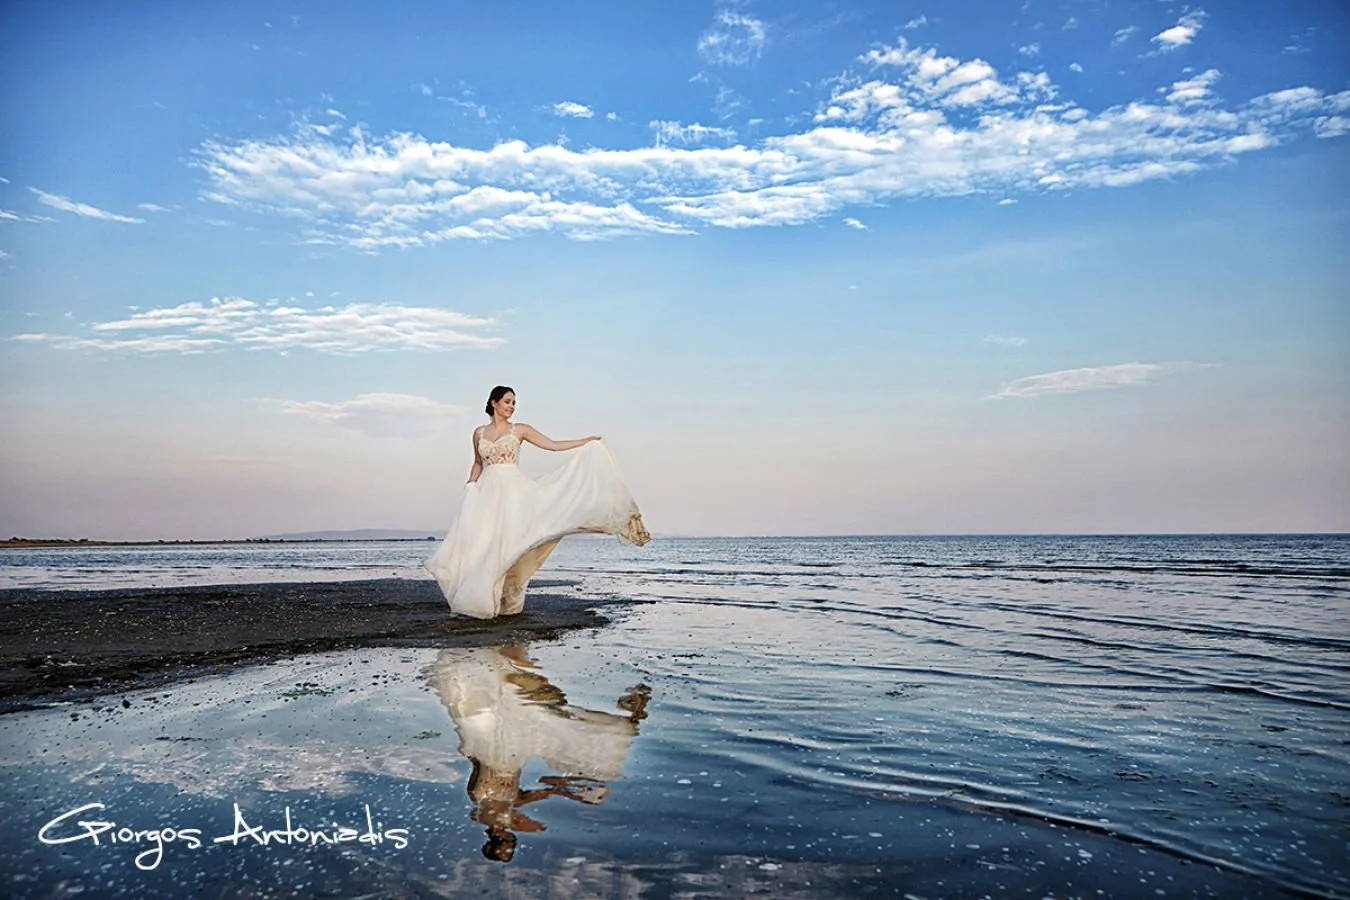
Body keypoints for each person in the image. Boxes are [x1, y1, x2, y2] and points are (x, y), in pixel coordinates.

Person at [423, 385, 650, 618]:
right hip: (486, 494)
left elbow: (552, 446)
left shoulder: (520, 430)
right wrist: (470, 486)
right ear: (494, 403)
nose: (512, 406)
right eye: (507, 401)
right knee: (486, 546)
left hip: (514, 493)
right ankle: (486, 599)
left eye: (514, 402)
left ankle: (508, 601)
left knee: (511, 546)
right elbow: (478, 463)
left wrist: (585, 442)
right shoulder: (478, 433)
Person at [427, 644, 651, 862]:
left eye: (505, 844)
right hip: (514, 754)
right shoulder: (512, 805)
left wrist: (517, 819)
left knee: (513, 706)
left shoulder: (479, 808)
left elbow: (476, 766)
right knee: (539, 714)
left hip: (492, 751)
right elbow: (540, 793)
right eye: (510, 844)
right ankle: (627, 719)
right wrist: (569, 792)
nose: (509, 840)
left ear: (493, 841)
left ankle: (499, 658)